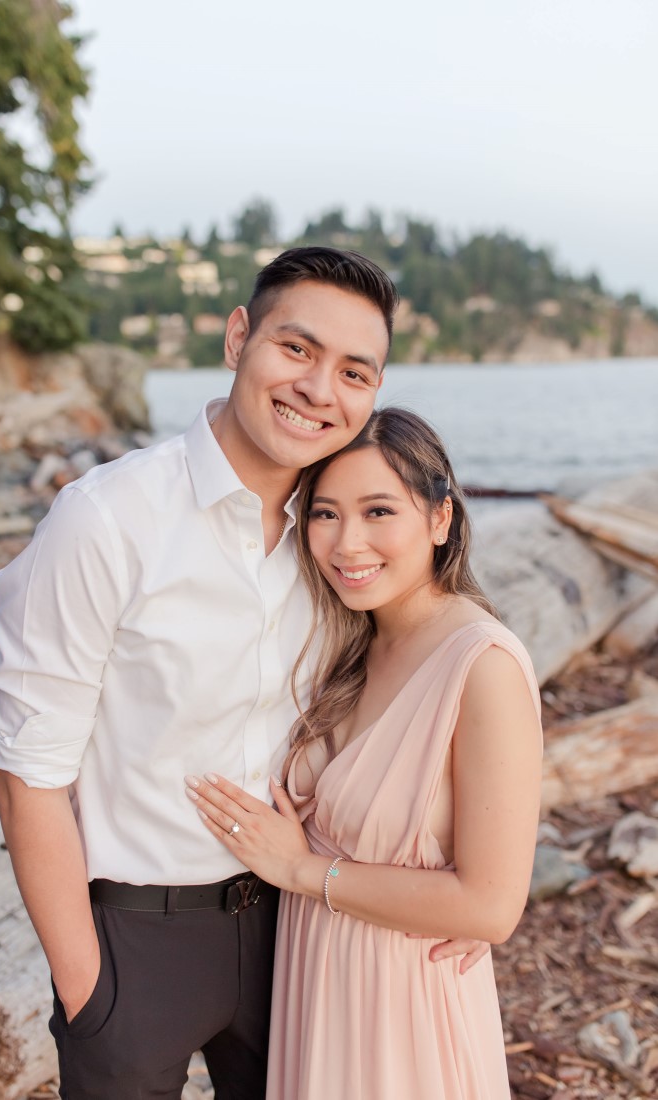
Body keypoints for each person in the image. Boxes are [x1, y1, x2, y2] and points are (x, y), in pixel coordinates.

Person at [0, 248, 487, 1100]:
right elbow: (28, 775)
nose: (318, 388)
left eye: (353, 371)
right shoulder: (107, 520)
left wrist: (443, 895)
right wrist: (89, 994)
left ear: (371, 393)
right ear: (237, 340)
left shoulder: (335, 545)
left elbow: (394, 717)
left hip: (297, 929)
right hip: (134, 939)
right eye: (296, 350)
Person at [187, 407, 543, 1100]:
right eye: (324, 514)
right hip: (314, 981)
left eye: (378, 511)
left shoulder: (483, 665)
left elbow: (490, 908)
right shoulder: (345, 643)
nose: (348, 544)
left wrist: (300, 867)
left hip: (403, 1005)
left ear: (440, 520)